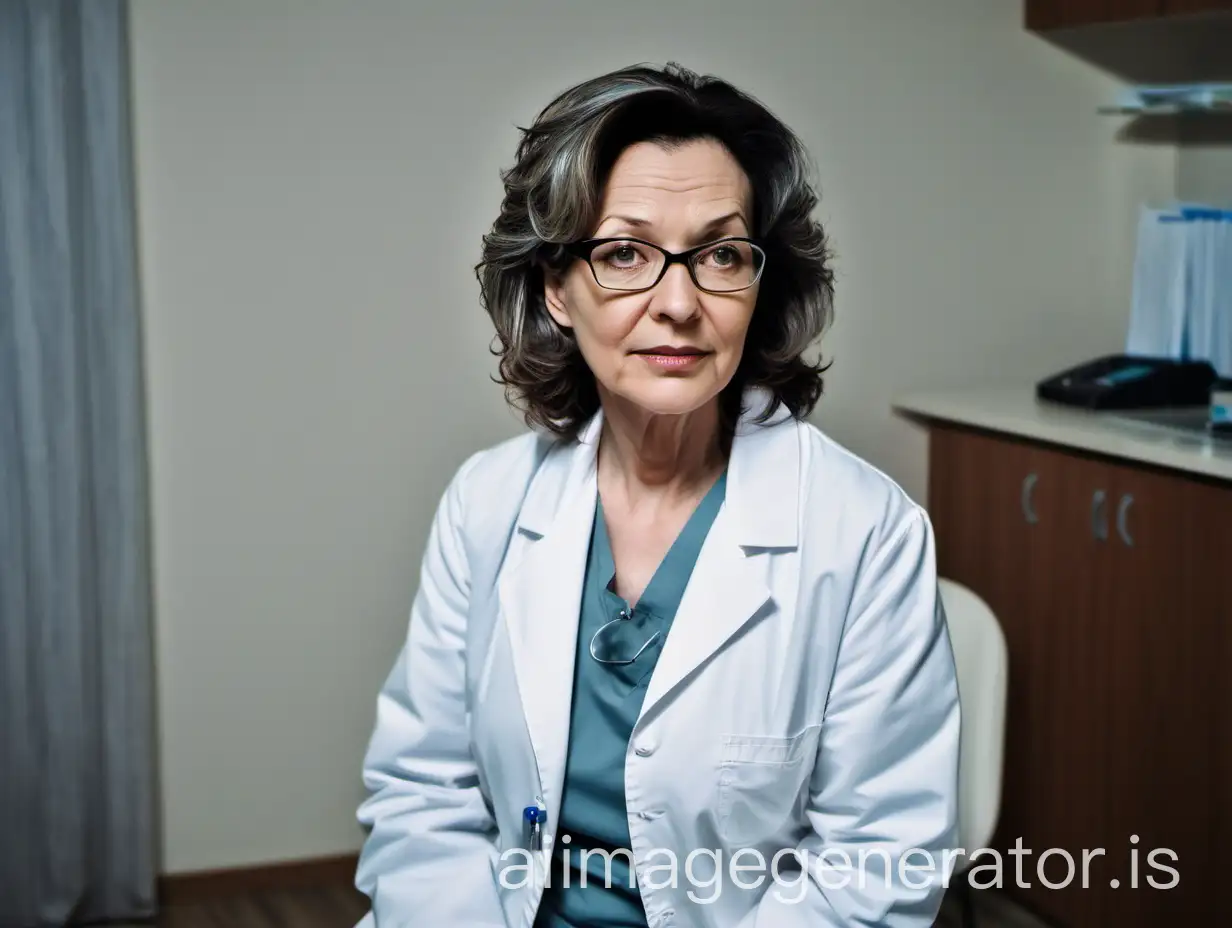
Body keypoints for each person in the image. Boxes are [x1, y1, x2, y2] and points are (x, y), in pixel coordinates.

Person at [353, 62, 961, 928]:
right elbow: (422, 794)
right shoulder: (486, 502)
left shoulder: (866, 534)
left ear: (761, 285)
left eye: (719, 255)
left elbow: (874, 865)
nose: (678, 303)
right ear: (557, 288)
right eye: (625, 253)